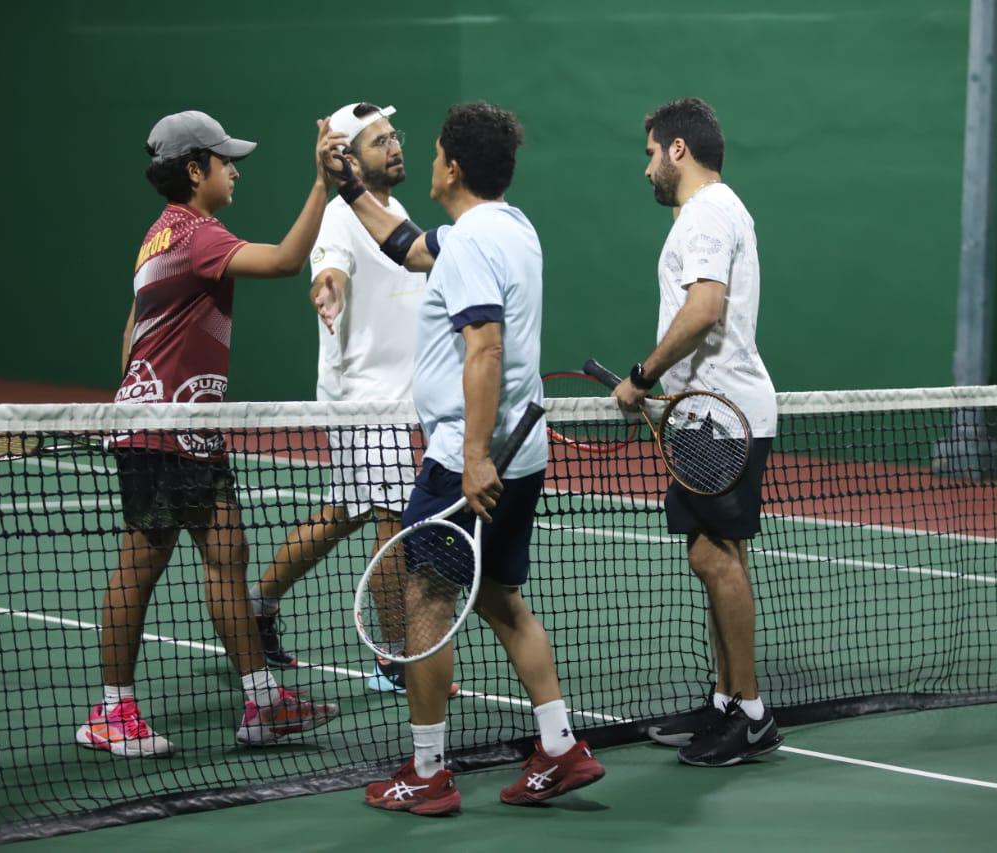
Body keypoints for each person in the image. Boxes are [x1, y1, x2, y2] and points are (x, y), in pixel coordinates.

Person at [322, 102, 605, 814]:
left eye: (434, 152)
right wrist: (348, 186)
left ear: (451, 167)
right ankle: (560, 745)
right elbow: (410, 247)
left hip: (464, 460)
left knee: (426, 598)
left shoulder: (475, 241)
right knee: (500, 598)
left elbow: (484, 347)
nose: (427, 160)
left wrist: (474, 457)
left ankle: (427, 771)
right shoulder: (508, 227)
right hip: (523, 452)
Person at [75, 110, 341, 758]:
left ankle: (262, 704)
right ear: (195, 170)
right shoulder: (197, 235)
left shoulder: (158, 237)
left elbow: (133, 326)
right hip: (166, 430)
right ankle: (111, 712)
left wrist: (132, 398)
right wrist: (321, 185)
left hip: (186, 428)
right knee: (141, 566)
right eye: (226, 162)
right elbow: (286, 261)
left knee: (228, 551)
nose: (235, 171)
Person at [247, 102, 453, 696]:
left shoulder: (395, 212)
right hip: (364, 398)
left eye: (394, 136)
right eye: (379, 141)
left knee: (345, 513)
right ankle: (395, 655)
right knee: (393, 520)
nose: (396, 146)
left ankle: (258, 604)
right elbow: (328, 269)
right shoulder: (340, 216)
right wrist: (327, 289)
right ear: (349, 160)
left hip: (402, 397)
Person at [614, 97, 782, 767]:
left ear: (677, 150)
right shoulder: (712, 210)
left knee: (713, 558)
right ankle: (726, 701)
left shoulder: (708, 212)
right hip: (708, 412)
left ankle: (751, 714)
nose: (646, 167)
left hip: (720, 417)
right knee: (718, 555)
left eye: (651, 152)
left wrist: (642, 375)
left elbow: (705, 308)